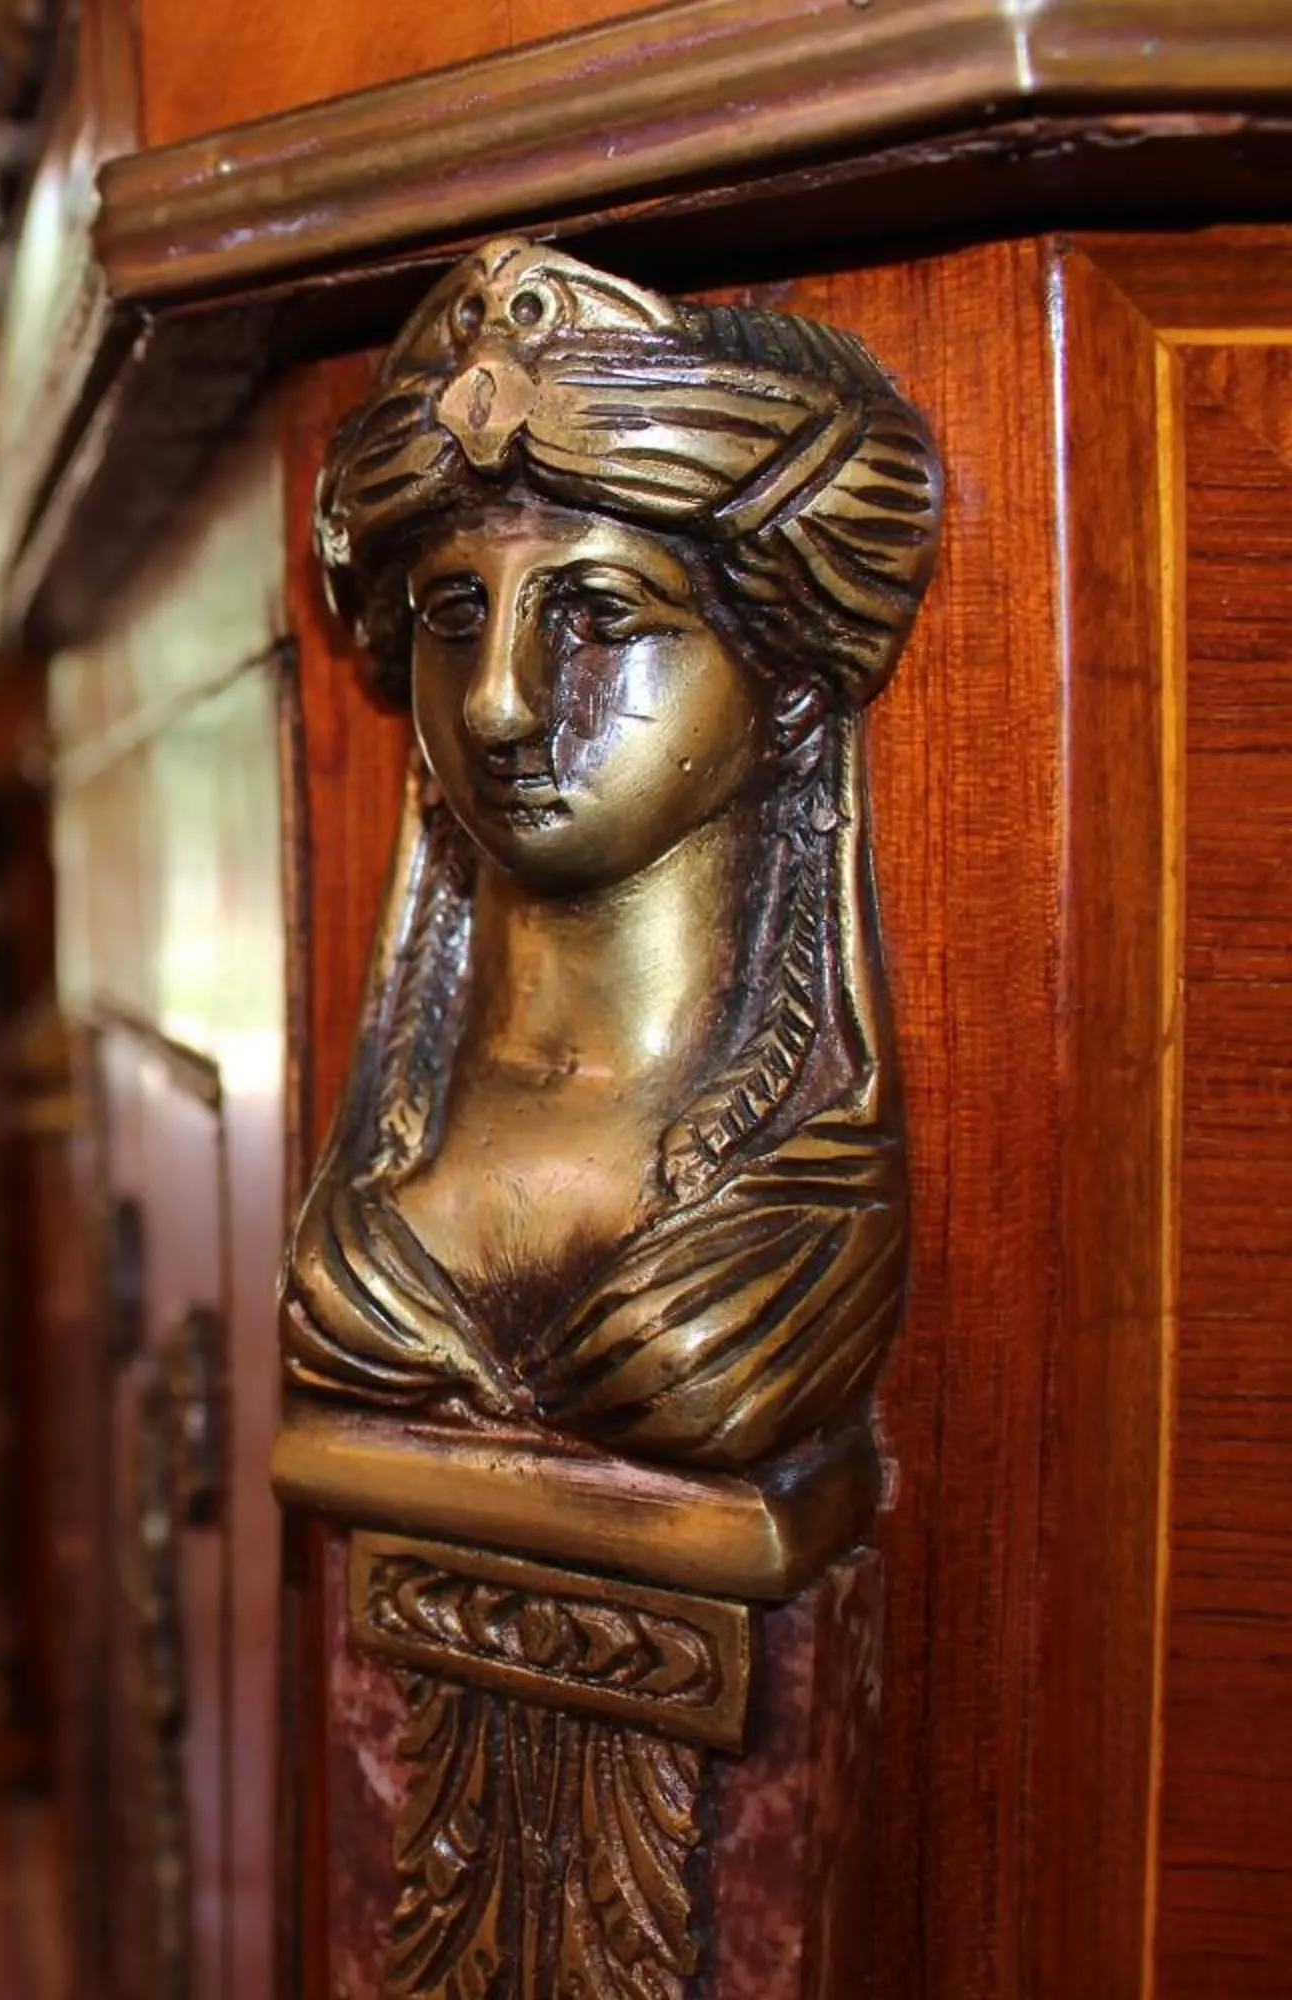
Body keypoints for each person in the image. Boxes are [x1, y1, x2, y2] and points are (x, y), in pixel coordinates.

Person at [281, 239, 944, 1473]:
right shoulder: (399, 1151)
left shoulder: (785, 1220)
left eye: (599, 614)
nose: (497, 703)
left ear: (793, 688)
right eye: (455, 614)